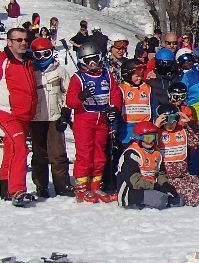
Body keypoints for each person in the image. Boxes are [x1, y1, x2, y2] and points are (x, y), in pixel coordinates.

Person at [0, 28, 38, 206]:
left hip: (24, 113)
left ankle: (5, 187)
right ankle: (17, 189)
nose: (23, 43)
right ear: (9, 42)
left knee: (11, 148)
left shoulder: (28, 60)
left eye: (25, 40)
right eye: (18, 40)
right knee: (20, 147)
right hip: (6, 112)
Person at [65, 39, 123, 203]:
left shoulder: (107, 74)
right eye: (87, 60)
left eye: (94, 59)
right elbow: (70, 101)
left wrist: (114, 108)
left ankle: (95, 184)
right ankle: (82, 186)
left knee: (99, 153)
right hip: (84, 120)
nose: (91, 64)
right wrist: (81, 97)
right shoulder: (78, 78)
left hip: (102, 120)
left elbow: (115, 93)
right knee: (85, 153)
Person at [28, 37, 73, 198]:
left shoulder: (59, 71)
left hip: (54, 116)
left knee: (58, 153)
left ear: (52, 53)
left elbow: (69, 91)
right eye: (38, 55)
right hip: (35, 118)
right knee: (39, 154)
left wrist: (66, 112)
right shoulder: (29, 71)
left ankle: (62, 185)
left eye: (46, 54)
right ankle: (41, 185)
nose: (42, 58)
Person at [116, 121, 183, 209]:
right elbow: (134, 181)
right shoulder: (132, 154)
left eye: (154, 138)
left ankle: (156, 199)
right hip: (131, 190)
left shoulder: (157, 153)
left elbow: (159, 173)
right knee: (160, 200)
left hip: (149, 187)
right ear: (138, 138)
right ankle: (142, 202)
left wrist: (165, 184)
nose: (151, 142)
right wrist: (155, 186)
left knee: (180, 200)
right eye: (148, 138)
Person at [156, 105, 199, 206]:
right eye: (167, 120)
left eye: (173, 120)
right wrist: (155, 126)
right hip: (168, 179)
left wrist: (190, 123)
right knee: (194, 199)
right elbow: (145, 146)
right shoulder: (156, 134)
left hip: (184, 176)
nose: (170, 124)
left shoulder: (182, 131)